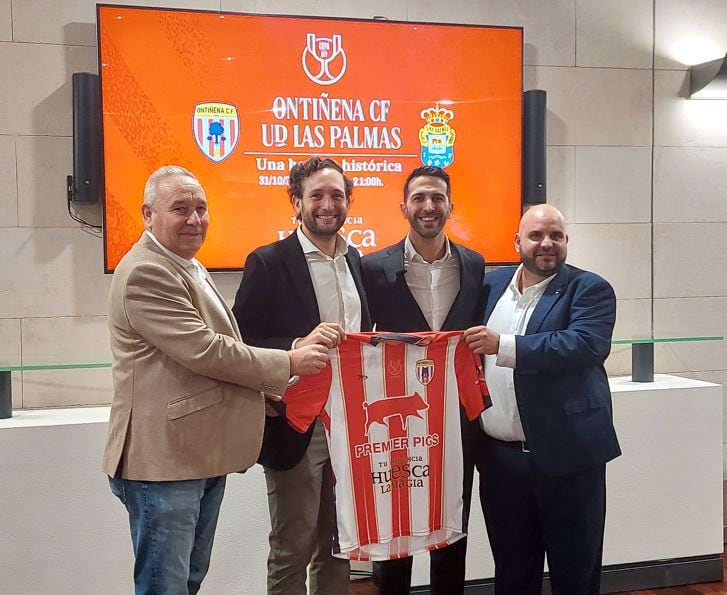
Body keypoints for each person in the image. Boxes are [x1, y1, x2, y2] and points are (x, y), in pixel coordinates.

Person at [102, 165, 328, 595]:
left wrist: (259, 392)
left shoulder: (185, 264)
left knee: (188, 578)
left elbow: (214, 351)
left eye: (201, 208)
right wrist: (290, 362)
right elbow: (205, 349)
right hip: (163, 461)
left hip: (197, 451)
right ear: (148, 214)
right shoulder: (146, 272)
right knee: (164, 585)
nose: (194, 219)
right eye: (180, 209)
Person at [463, 204, 621, 595]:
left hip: (569, 458)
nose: (546, 244)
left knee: (575, 571)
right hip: (501, 462)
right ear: (518, 242)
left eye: (556, 236)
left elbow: (584, 345)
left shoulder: (590, 288)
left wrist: (504, 345)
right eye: (536, 236)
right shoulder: (489, 286)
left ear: (567, 241)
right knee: (513, 570)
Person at [232, 156, 372, 595]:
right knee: (292, 545)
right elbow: (242, 345)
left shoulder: (357, 262)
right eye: (316, 196)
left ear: (349, 200)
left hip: (350, 422)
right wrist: (294, 348)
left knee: (339, 543)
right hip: (298, 423)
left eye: (336, 195)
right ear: (296, 201)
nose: (327, 205)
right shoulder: (269, 262)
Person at [362, 165, 486, 595]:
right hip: (398, 418)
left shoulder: (474, 264)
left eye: (436, 198)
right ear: (404, 207)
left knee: (453, 520)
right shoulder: (373, 267)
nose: (428, 207)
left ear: (450, 206)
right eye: (419, 198)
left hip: (456, 419)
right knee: (395, 522)